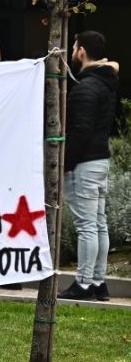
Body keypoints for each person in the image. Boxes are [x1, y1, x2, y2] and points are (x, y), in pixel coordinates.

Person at [60, 30, 119, 301]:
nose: (72, 52)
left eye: (74, 47)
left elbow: (80, 130)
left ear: (81, 50)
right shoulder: (104, 83)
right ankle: (98, 282)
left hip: (85, 163)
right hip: (100, 161)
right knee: (98, 223)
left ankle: (83, 284)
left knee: (87, 226)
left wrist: (66, 163)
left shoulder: (85, 88)